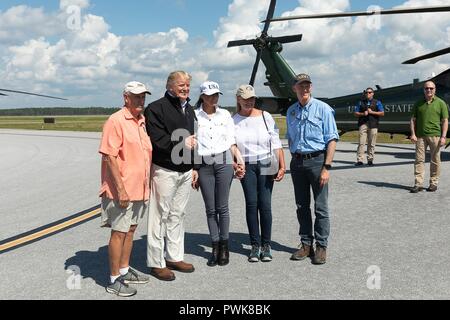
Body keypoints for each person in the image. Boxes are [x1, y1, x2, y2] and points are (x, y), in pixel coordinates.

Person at [99, 81, 152, 297]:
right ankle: (113, 279)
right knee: (119, 232)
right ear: (126, 97)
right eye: (136, 96)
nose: (141, 100)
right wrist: (120, 189)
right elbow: (110, 156)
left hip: (139, 188)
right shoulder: (116, 120)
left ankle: (124, 269)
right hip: (122, 190)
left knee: (130, 230)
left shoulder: (141, 121)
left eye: (143, 97)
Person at [144, 71, 197, 281]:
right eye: (181, 85)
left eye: (187, 86)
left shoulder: (189, 109)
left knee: (178, 214)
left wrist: (194, 167)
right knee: (159, 216)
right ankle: (156, 263)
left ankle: (174, 256)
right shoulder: (156, 108)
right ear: (170, 86)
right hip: (165, 170)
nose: (185, 89)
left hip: (185, 171)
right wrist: (181, 143)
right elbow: (157, 140)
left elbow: (195, 140)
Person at [287, 74, 339, 265]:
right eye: (301, 86)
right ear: (295, 89)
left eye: (307, 85)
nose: (305, 89)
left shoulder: (323, 109)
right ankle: (306, 244)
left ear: (311, 87)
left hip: (317, 161)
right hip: (298, 162)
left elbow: (332, 139)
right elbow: (290, 138)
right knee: (301, 206)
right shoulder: (291, 111)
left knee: (321, 207)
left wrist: (327, 166)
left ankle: (321, 246)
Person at [192, 81, 245, 267]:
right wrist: (194, 169)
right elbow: (192, 143)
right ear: (202, 96)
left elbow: (231, 141)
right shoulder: (194, 116)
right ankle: (214, 246)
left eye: (216, 95)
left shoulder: (225, 115)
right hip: (204, 163)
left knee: (223, 207)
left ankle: (224, 246)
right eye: (209, 95)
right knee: (210, 208)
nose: (213, 98)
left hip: (224, 161)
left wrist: (239, 159)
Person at [233, 84, 286, 263]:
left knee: (265, 204)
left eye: (252, 98)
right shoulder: (234, 119)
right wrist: (236, 163)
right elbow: (231, 145)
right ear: (238, 99)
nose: (249, 102)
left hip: (266, 162)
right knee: (251, 203)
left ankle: (266, 245)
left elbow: (276, 141)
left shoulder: (265, 116)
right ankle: (255, 246)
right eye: (245, 99)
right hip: (246, 164)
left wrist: (282, 165)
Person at [410, 81, 448, 193]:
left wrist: (443, 137)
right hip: (420, 136)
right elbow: (413, 120)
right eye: (427, 88)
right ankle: (418, 184)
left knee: (435, 160)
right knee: (419, 160)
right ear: (424, 90)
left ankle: (433, 183)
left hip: (435, 136)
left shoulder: (441, 103)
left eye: (431, 88)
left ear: (435, 89)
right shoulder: (418, 103)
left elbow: (445, 121)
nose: (429, 90)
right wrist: (413, 134)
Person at [354, 88, 385, 166]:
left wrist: (372, 112)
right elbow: (355, 113)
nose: (368, 93)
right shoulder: (360, 102)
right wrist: (362, 114)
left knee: (371, 143)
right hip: (363, 124)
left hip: (373, 124)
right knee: (361, 143)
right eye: (366, 92)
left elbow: (382, 113)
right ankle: (360, 160)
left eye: (370, 92)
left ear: (373, 93)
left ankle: (370, 160)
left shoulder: (377, 102)